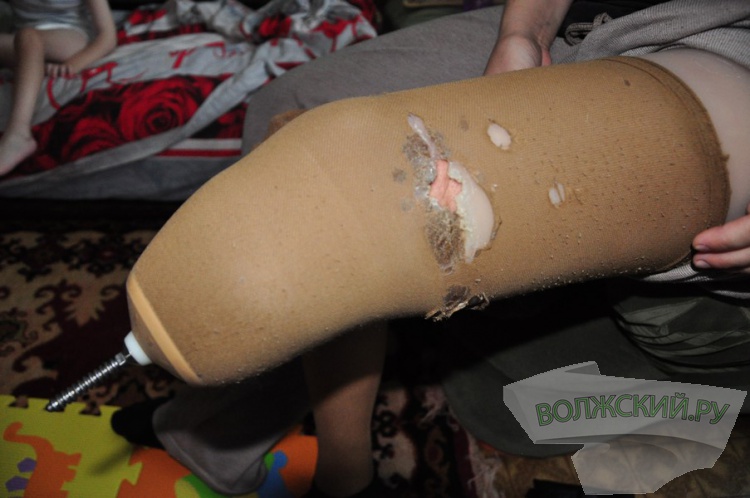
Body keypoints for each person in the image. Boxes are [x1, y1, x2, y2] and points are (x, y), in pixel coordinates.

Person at [113, 2, 750, 497]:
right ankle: (218, 434)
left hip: (721, 49)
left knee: (367, 206)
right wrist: (522, 30)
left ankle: (342, 477)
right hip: (602, 16)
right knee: (290, 113)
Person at [0, 0, 117, 175]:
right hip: (19, 42)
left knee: (28, 37)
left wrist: (73, 65)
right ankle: (34, 65)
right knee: (25, 39)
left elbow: (108, 37)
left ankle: (18, 134)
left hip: (69, 36)